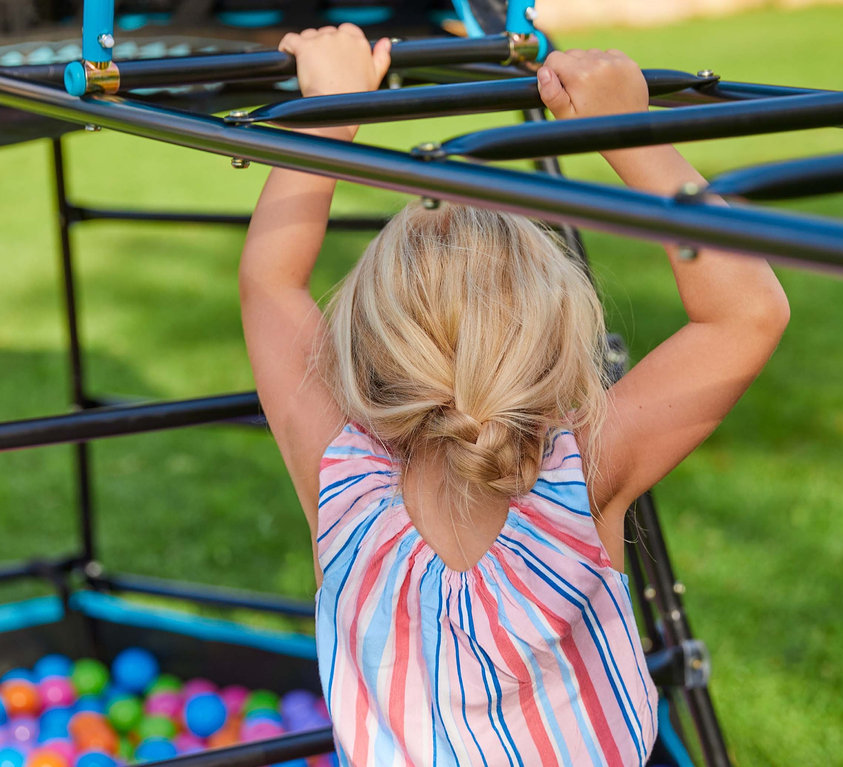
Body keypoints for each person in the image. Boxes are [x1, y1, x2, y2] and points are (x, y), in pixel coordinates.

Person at [239, 24, 790, 767]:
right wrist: (630, 131)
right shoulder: (582, 472)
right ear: (558, 341)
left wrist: (329, 111)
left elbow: (269, 282)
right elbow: (747, 311)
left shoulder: (342, 483)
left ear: (369, 342)